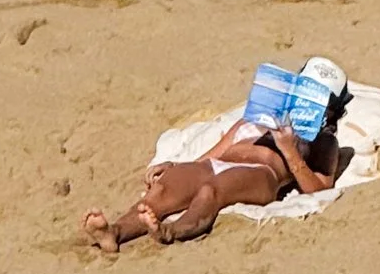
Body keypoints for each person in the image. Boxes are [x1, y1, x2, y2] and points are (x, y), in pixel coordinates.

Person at [85, 72, 351, 255]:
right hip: (217, 164)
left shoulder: (322, 142)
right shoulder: (256, 119)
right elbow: (215, 153)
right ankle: (115, 233)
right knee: (164, 189)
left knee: (212, 190)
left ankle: (170, 231)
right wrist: (179, 165)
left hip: (262, 175)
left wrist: (289, 151)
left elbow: (320, 190)